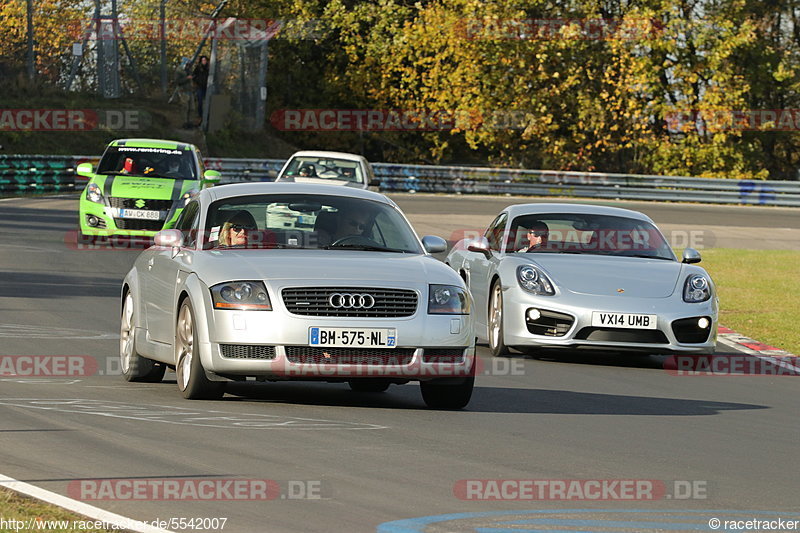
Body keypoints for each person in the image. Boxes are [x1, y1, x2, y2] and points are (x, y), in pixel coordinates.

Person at [191, 55, 209, 122]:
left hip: (207, 87)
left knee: (206, 102)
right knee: (200, 102)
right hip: (200, 87)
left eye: (205, 60)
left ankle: (206, 116)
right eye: (203, 60)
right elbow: (194, 76)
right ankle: (200, 115)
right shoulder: (198, 68)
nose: (204, 62)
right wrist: (197, 81)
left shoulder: (209, 68)